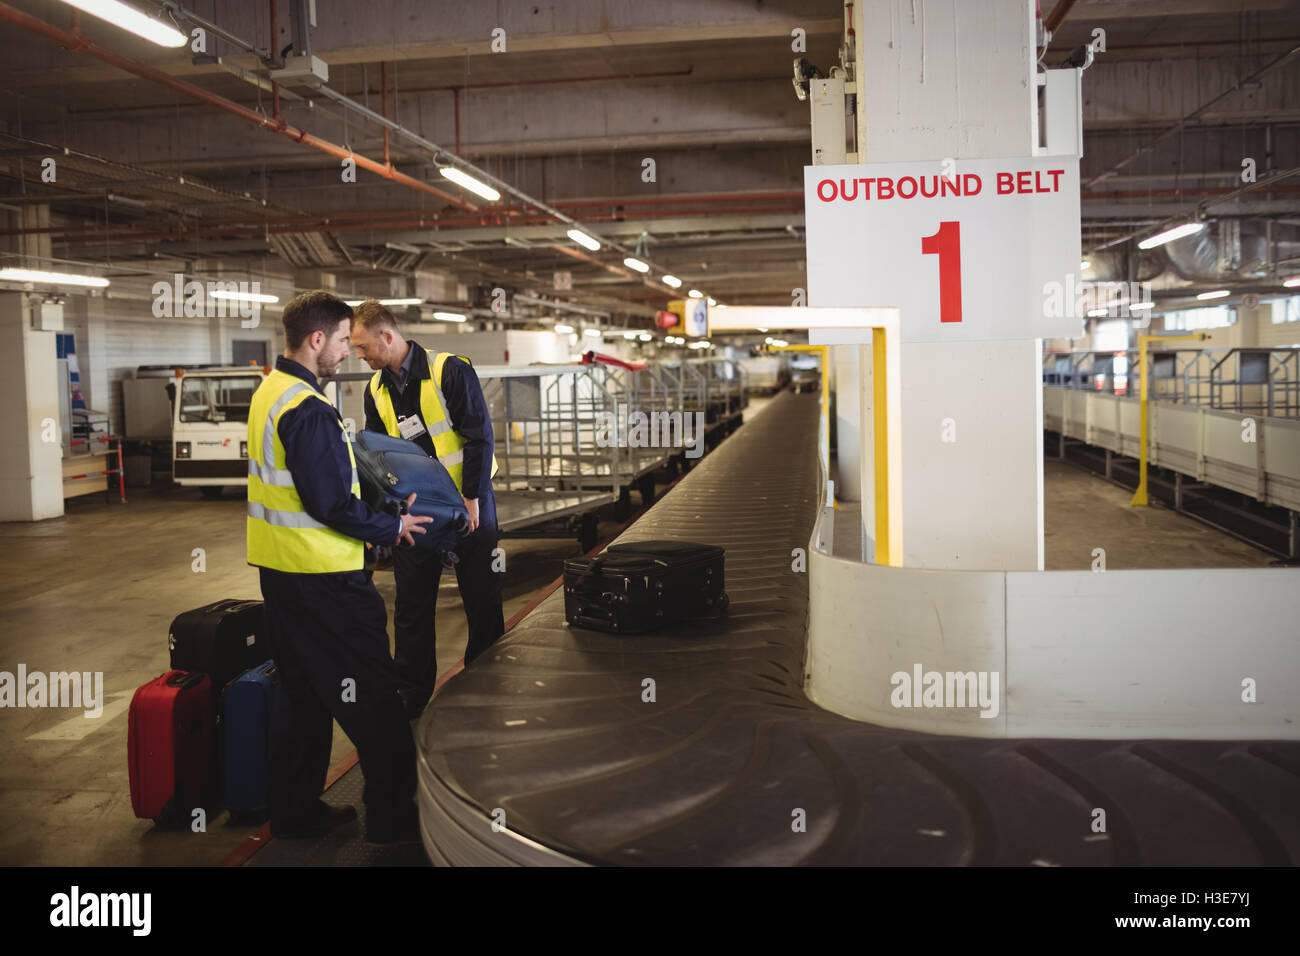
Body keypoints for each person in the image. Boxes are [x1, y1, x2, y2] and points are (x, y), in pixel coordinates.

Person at [246, 290, 431, 844]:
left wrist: (386, 505)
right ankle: (394, 824)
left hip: (282, 577)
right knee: (373, 695)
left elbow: (319, 486)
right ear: (316, 339)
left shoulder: (270, 393)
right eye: (342, 343)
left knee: (303, 699)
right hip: (326, 580)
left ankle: (295, 815)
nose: (348, 354)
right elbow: (329, 503)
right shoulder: (306, 408)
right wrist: (392, 529)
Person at [350, 300, 505, 718]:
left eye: (363, 347)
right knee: (412, 604)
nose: (358, 356)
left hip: (469, 500)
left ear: (387, 336)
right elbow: (379, 461)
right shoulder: (377, 390)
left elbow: (478, 436)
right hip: (415, 510)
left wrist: (471, 498)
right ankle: (411, 691)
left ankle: (485, 680)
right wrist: (383, 517)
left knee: (481, 597)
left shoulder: (449, 370)